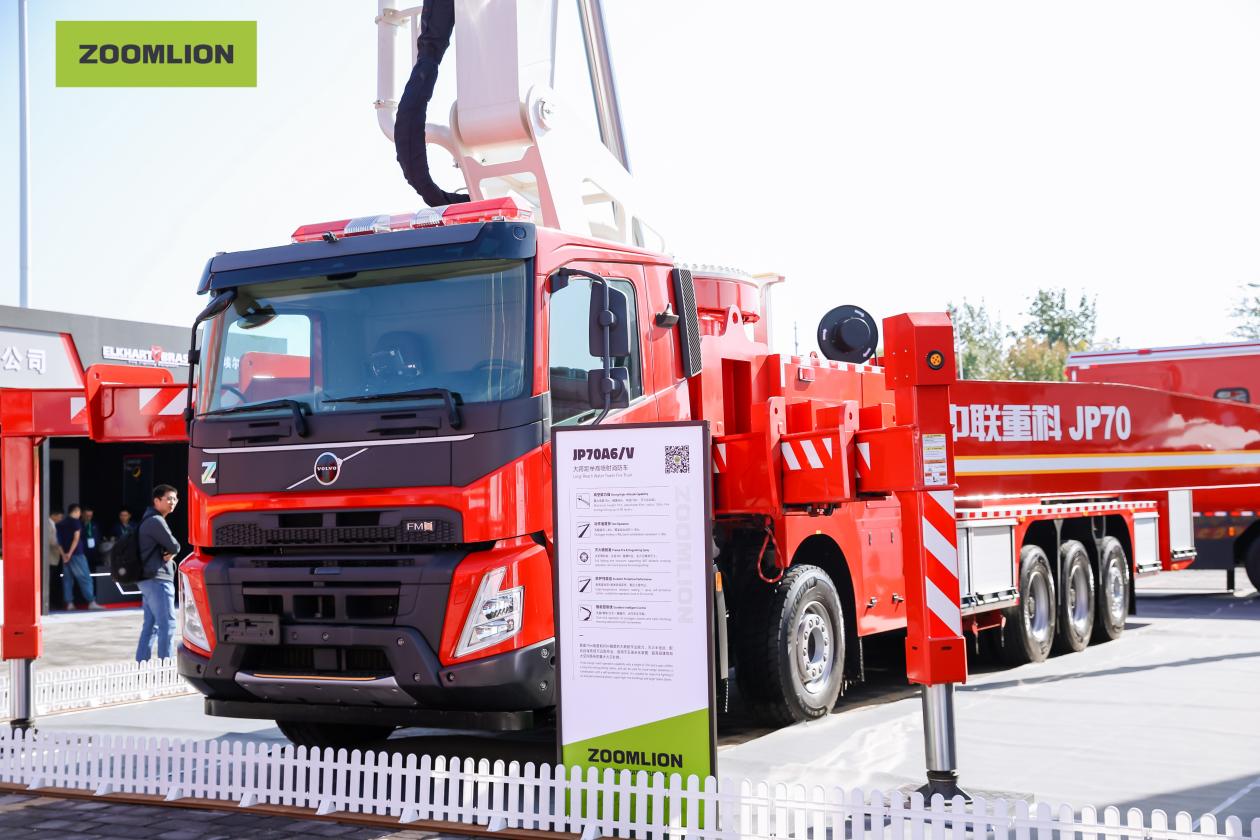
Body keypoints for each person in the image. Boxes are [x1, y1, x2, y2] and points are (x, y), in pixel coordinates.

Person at [136, 485, 181, 662]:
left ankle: (142, 666)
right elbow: (174, 545)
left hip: (148, 579)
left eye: (175, 499)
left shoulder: (147, 519)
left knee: (151, 626)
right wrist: (174, 550)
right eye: (169, 498)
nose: (173, 502)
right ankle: (165, 668)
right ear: (157, 500)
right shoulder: (156, 521)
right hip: (158, 579)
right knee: (168, 625)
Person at [56, 504, 103, 611]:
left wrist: (64, 555)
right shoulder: (76, 522)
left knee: (68, 580)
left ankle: (69, 603)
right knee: (85, 578)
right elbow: (76, 538)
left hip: (65, 556)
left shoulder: (60, 523)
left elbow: (58, 542)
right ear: (77, 511)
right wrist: (70, 553)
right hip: (77, 554)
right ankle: (91, 601)